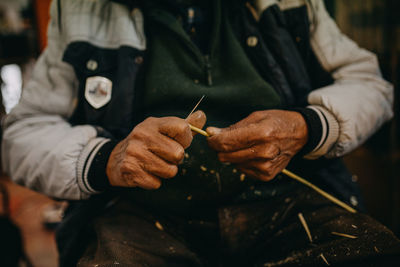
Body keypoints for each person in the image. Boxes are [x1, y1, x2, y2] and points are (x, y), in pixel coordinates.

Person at [2, 0, 400, 266]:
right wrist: (108, 158)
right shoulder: (81, 9)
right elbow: (22, 133)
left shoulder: (290, 4)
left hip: (286, 201)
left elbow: (372, 86)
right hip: (143, 215)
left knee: (372, 251)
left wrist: (307, 126)